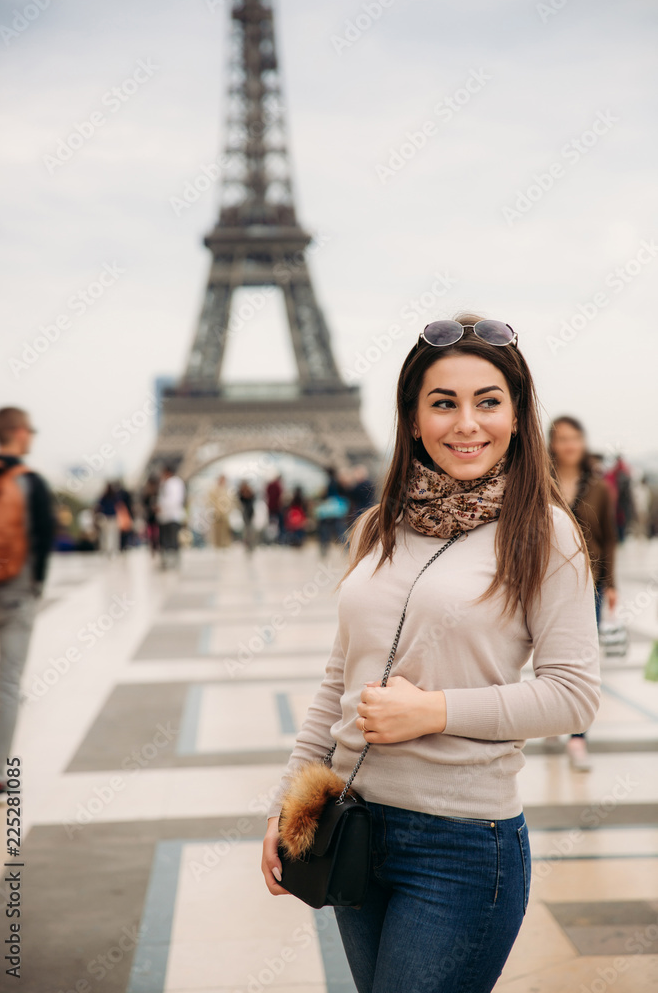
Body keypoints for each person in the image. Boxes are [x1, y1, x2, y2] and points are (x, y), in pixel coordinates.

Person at [261, 313, 600, 993]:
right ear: (413, 419)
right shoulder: (376, 526)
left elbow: (573, 692)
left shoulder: (543, 532)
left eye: (488, 402)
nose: (466, 424)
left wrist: (434, 712)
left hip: (462, 847)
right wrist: (287, 804)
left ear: (516, 414)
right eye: (443, 403)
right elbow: (339, 679)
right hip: (352, 830)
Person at [0, 407, 54, 802]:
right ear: (17, 433)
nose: (32, 436)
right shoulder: (30, 482)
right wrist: (36, 585)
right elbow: (44, 539)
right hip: (15, 594)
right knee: (9, 686)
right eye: (29, 430)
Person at [548, 416, 616, 772]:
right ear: (552, 443)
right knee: (547, 655)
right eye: (562, 438)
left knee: (583, 660)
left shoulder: (600, 487)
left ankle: (578, 737)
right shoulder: (542, 483)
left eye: (575, 437)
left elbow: (608, 537)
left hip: (590, 582)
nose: (570, 444)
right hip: (546, 580)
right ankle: (550, 717)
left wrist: (613, 583)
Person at [156, 465, 186, 569]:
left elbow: (175, 500)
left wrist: (162, 507)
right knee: (166, 540)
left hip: (172, 516)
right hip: (165, 517)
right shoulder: (165, 483)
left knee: (172, 540)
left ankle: (172, 561)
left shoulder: (175, 483)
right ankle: (168, 561)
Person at [209, 474, 234, 548]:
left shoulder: (227, 490)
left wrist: (228, 510)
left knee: (225, 531)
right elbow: (211, 501)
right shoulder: (214, 490)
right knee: (217, 531)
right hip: (217, 513)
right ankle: (217, 546)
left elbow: (230, 502)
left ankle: (225, 545)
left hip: (225, 514)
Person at [96, 482, 120, 557]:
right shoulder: (112, 496)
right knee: (112, 535)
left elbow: (99, 506)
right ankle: (110, 549)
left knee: (107, 535)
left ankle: (109, 549)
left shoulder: (105, 496)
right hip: (110, 517)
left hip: (108, 517)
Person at [237, 479, 256, 553]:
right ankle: (247, 544)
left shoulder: (250, 492)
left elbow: (253, 499)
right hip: (245, 512)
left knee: (250, 529)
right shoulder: (241, 493)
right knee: (247, 529)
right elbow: (240, 501)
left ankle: (251, 544)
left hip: (250, 511)